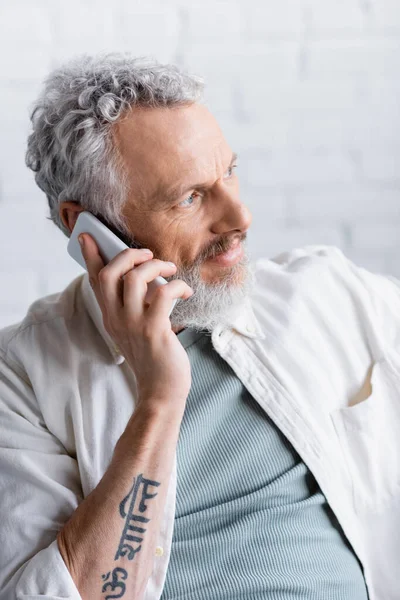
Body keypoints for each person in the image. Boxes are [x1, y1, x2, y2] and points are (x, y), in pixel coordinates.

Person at [0, 53, 399, 600]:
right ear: (86, 226)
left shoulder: (327, 292)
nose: (239, 219)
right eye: (189, 198)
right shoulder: (23, 378)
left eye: (229, 173)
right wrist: (159, 400)